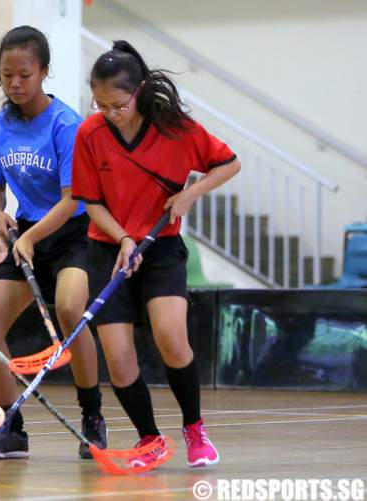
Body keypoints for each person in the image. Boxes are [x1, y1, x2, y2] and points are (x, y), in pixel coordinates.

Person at [71, 40, 241, 468]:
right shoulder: (89, 133)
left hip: (161, 248)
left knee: (170, 337)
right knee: (120, 357)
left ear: (140, 90)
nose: (111, 111)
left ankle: (194, 428)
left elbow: (229, 163)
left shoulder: (176, 129)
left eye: (119, 103)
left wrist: (191, 194)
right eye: (101, 103)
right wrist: (124, 239)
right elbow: (91, 201)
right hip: (108, 250)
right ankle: (149, 438)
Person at [0, 26, 104, 460]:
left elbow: (72, 201)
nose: (14, 83)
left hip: (72, 234)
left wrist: (28, 237)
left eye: (24, 75)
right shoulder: (0, 124)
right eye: (7, 75)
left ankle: (92, 417)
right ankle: (10, 426)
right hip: (26, 231)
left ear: (44, 72)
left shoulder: (68, 125)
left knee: (70, 310)